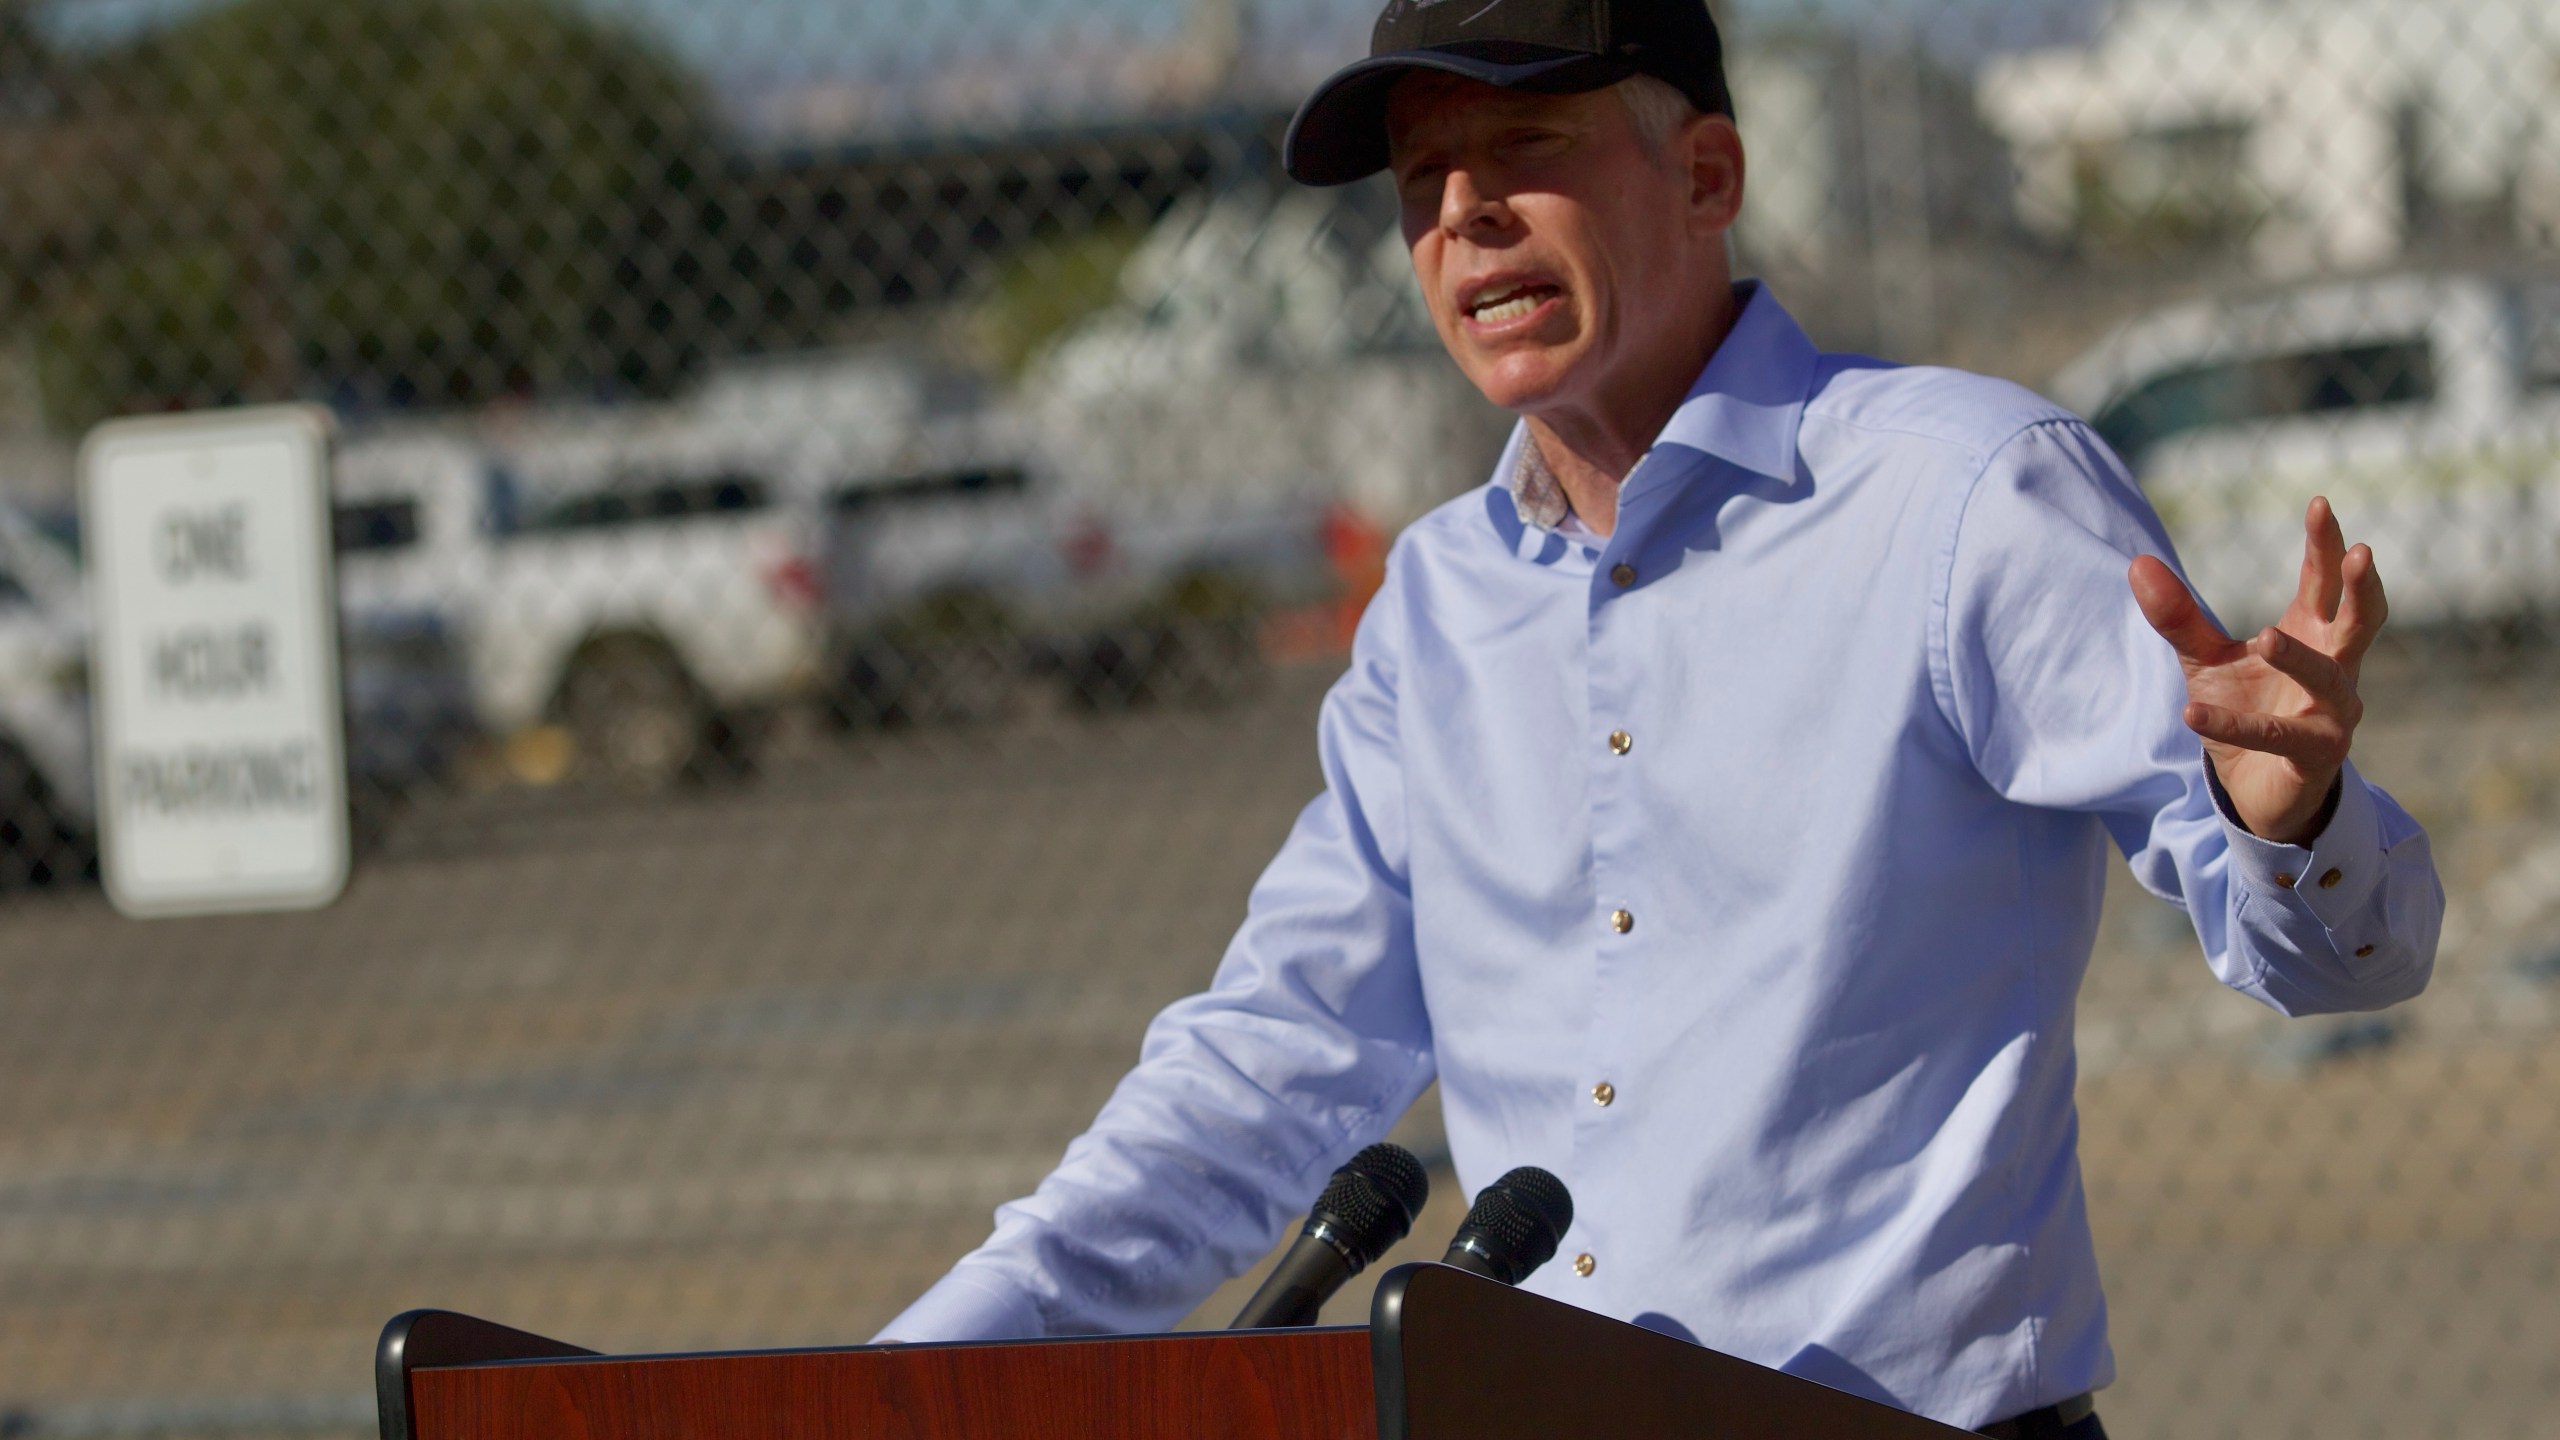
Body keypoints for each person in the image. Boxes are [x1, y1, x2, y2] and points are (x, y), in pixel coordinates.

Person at [872, 2, 2445, 1434]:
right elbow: (1272, 1064)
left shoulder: (1961, 491)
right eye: (1422, 179)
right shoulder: (1436, 606)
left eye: (1527, 146)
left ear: (1707, 173)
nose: (1464, 212)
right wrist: (902, 1387)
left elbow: (2347, 957)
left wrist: (2288, 815)